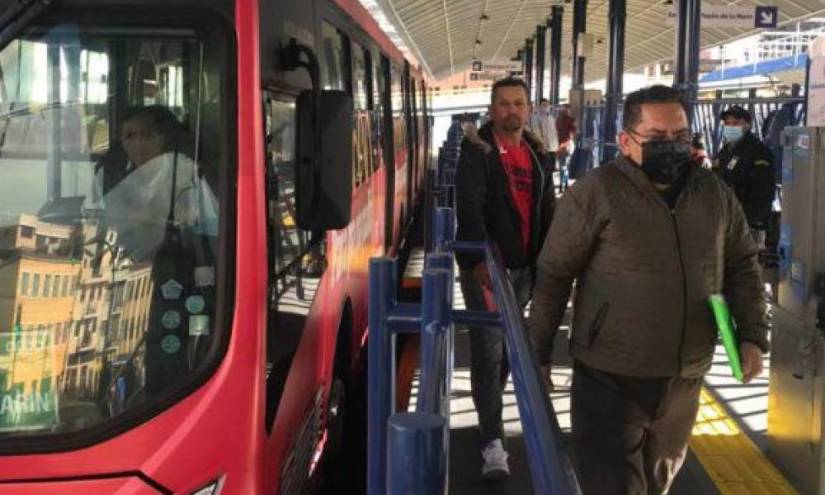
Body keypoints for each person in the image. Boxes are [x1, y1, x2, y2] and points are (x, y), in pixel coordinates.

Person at [528, 85, 768, 494]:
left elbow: (743, 263)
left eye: (681, 136)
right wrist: (540, 354)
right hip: (610, 374)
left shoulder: (713, 193)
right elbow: (554, 274)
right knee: (613, 486)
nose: (673, 148)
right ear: (625, 142)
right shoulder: (595, 193)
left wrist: (752, 336)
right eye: (658, 139)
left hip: (686, 376)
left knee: (658, 483)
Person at [455, 77, 556, 481]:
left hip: (526, 269)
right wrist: (479, 262)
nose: (512, 110)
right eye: (504, 104)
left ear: (528, 109)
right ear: (491, 110)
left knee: (511, 352)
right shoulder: (476, 152)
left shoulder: (536, 152)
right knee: (489, 350)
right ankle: (493, 441)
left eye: (519, 103)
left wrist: (550, 261)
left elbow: (546, 209)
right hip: (489, 270)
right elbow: (470, 208)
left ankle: (489, 409)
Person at [102, 105, 218, 261]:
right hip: (119, 267)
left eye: (147, 135)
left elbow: (211, 232)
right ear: (121, 141)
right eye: (130, 136)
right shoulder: (108, 176)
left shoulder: (187, 175)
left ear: (162, 138)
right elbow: (96, 225)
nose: (138, 143)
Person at [713, 105, 776, 248]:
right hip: (727, 219)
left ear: (748, 125)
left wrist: (753, 221)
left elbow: (763, 191)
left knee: (747, 265)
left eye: (735, 123)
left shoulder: (758, 151)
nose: (730, 127)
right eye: (727, 124)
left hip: (747, 223)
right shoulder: (727, 150)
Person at [555, 103, 577, 191]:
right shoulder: (571, 120)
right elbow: (573, 133)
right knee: (564, 165)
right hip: (567, 145)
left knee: (562, 166)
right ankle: (564, 184)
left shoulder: (558, 120)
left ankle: (563, 184)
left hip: (560, 145)